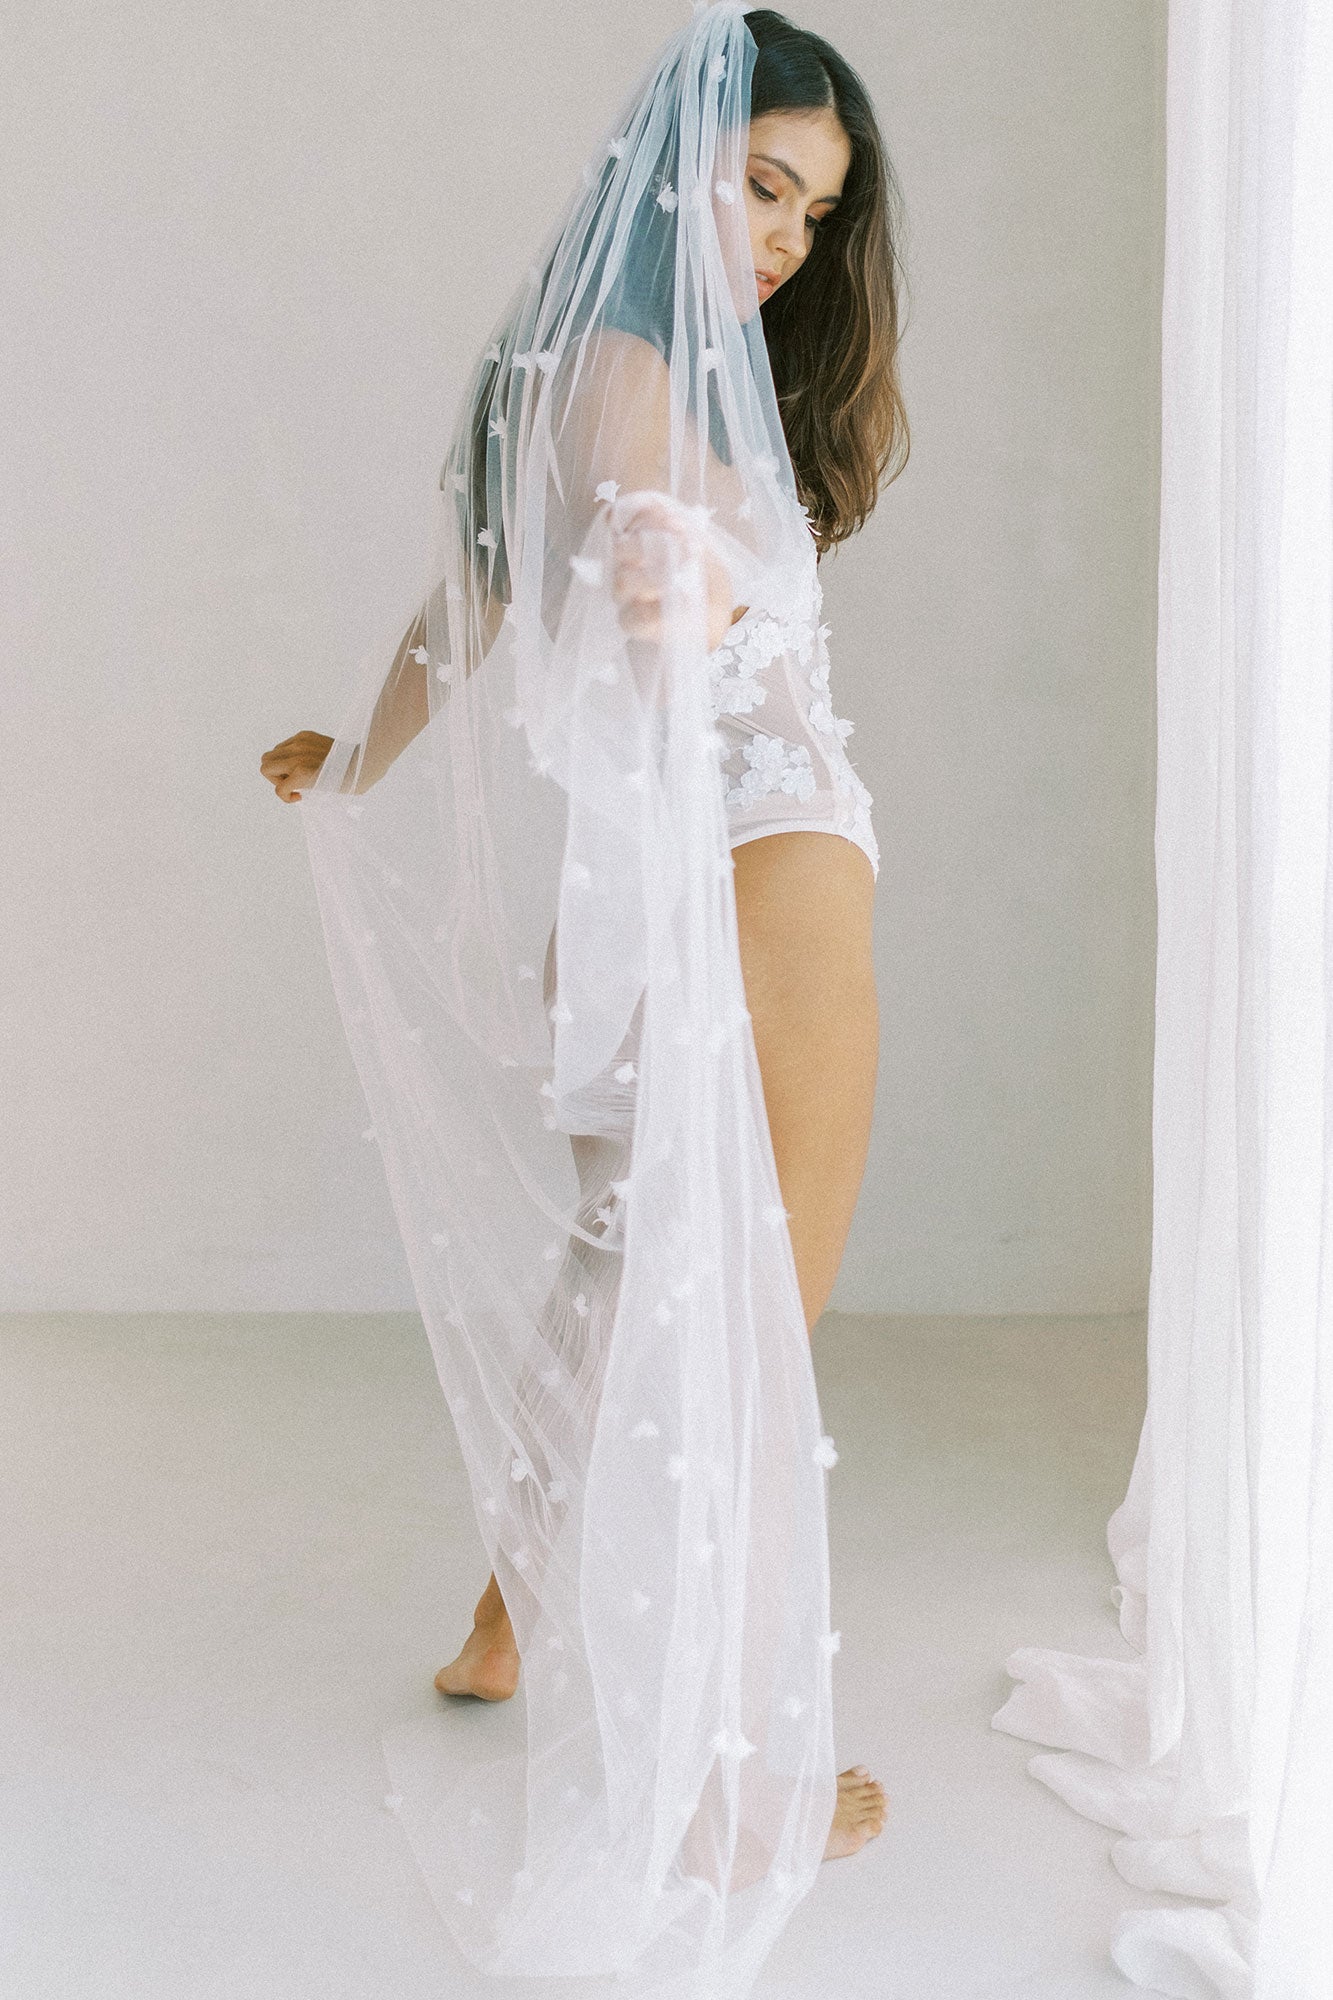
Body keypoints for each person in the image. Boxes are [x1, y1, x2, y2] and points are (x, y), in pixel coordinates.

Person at [260, 6, 907, 1991]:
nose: (787, 239)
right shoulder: (648, 387)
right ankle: (734, 1780)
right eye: (763, 185)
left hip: (632, 921)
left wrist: (349, 761)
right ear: (677, 168)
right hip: (766, 891)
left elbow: (461, 607)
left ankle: (502, 1621)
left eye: (813, 209)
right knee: (746, 1333)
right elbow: (649, 566)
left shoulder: (542, 379)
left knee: (629, 1276)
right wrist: (687, 576)